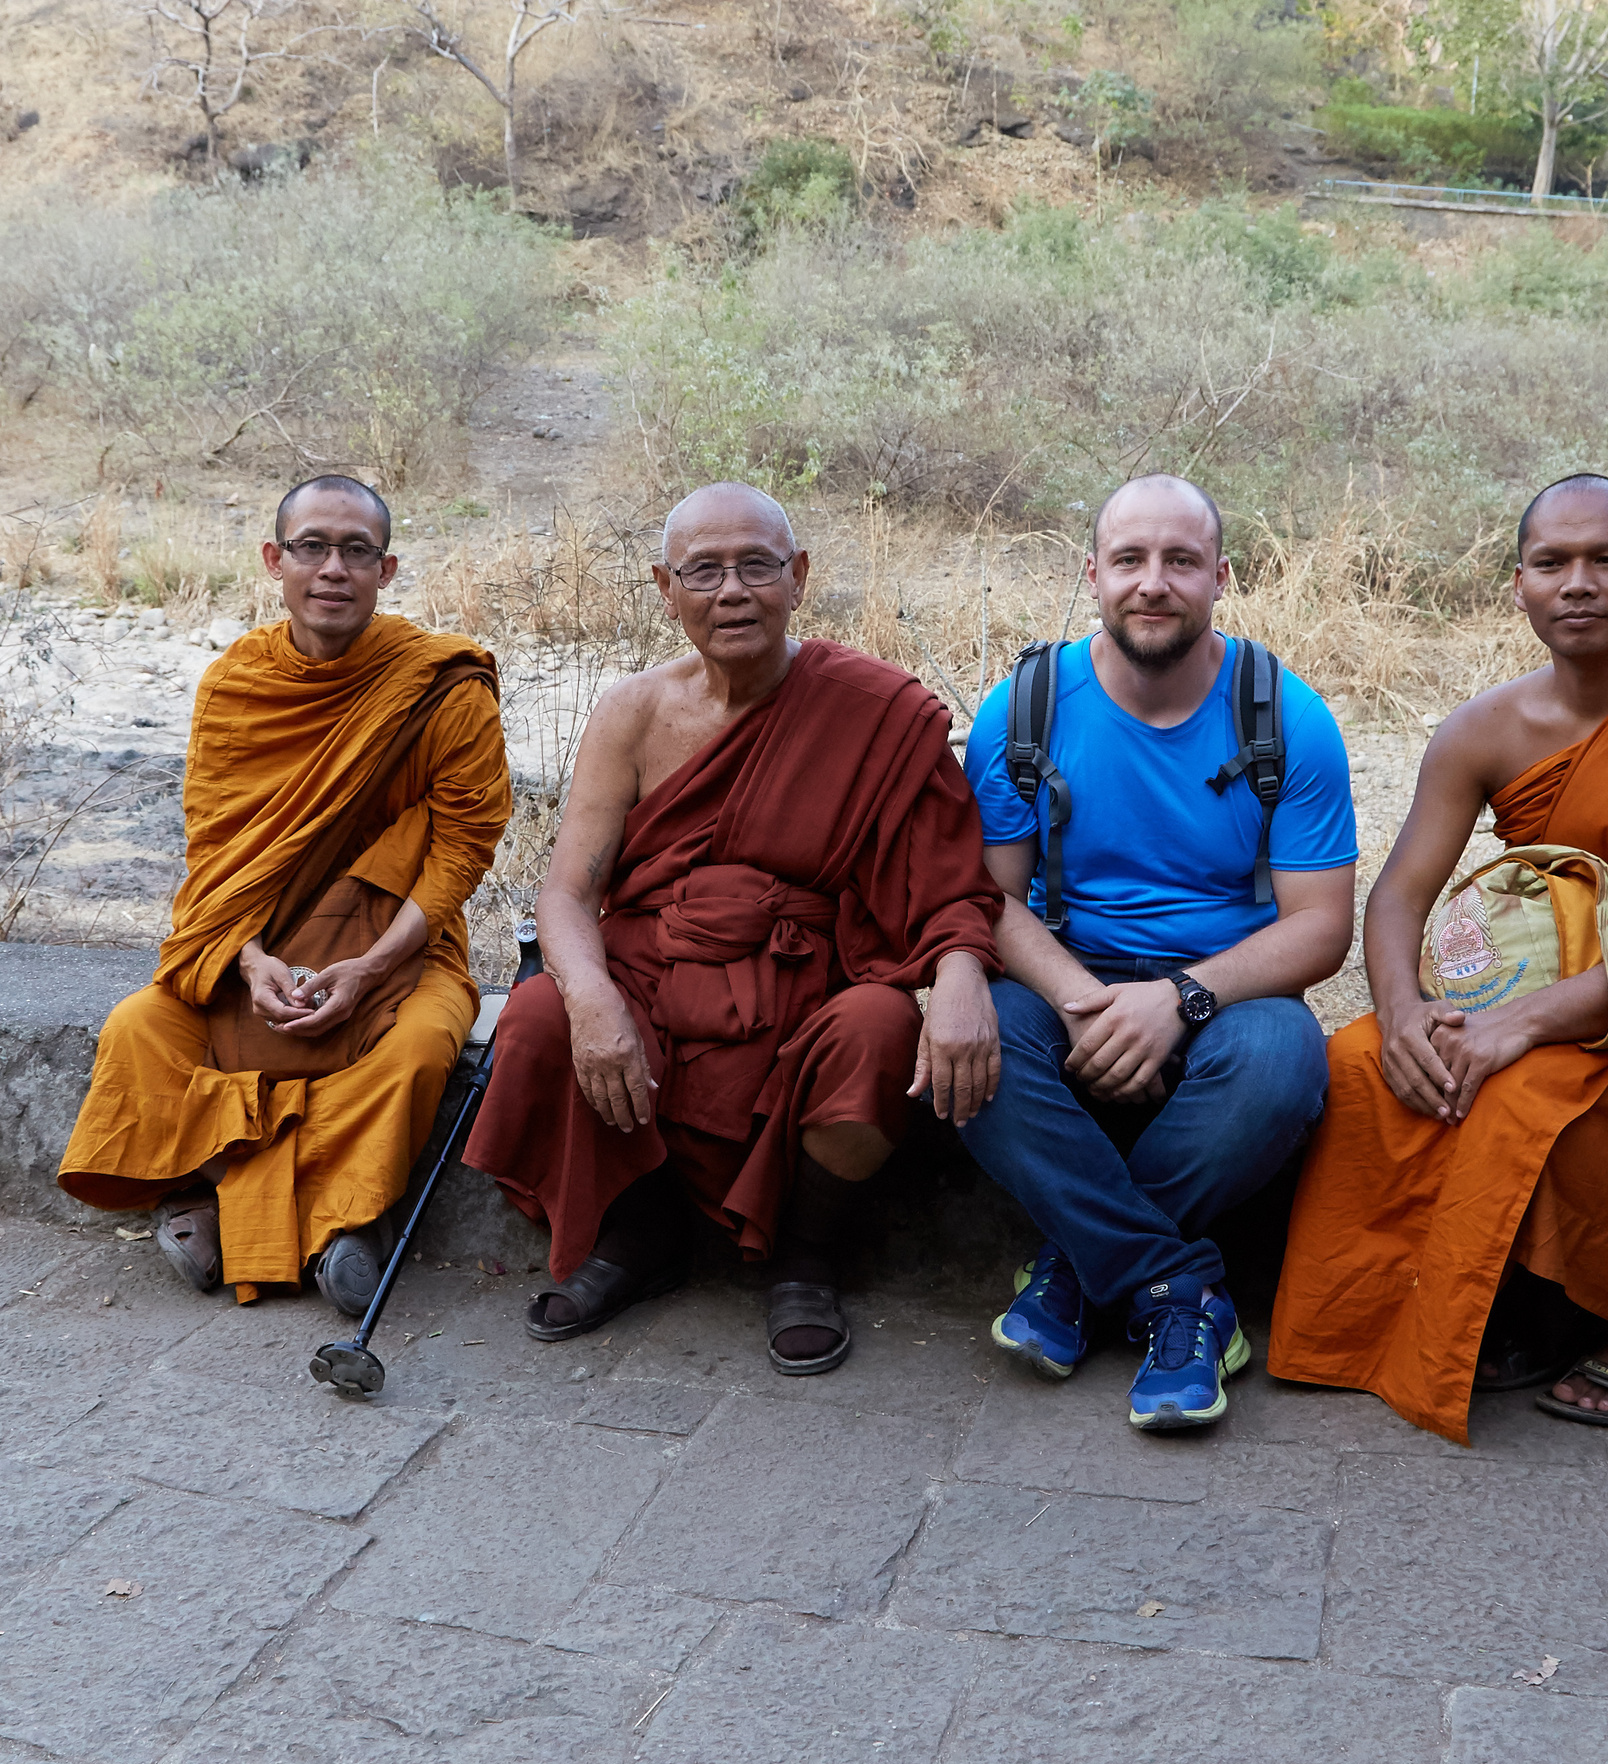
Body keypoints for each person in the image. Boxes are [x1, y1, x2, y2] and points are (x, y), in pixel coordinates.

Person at [1267, 474, 1608, 1441]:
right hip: (1508, 997)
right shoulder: (1485, 730)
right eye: (1552, 563)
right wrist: (1401, 1013)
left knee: (1531, 1088)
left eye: (1607, 560)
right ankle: (1384, 1316)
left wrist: (1512, 1027)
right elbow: (1399, 893)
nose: (1579, 584)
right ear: (1517, 585)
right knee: (1360, 1065)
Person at [464, 482, 1003, 1375]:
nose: (733, 591)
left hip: (803, 987)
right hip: (656, 971)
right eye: (702, 571)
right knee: (535, 1016)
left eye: (757, 565)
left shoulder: (875, 711)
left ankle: (807, 1257)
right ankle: (641, 1235)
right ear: (663, 588)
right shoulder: (631, 711)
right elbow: (567, 891)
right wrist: (591, 999)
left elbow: (950, 882)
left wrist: (960, 978)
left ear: (797, 577)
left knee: (878, 1030)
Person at [958, 473, 1355, 1431]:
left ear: (1221, 576)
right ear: (1092, 573)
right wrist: (1089, 1004)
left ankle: (1078, 1270)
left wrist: (1177, 1000)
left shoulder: (1285, 719)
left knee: (1283, 1059)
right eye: (1130, 559)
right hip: (1067, 979)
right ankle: (1176, 1289)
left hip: (1226, 991)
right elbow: (990, 903)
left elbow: (1320, 930)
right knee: (973, 1047)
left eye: (1181, 561)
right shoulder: (1024, 711)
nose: (1154, 582)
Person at [58, 476, 510, 1311]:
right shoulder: (237, 687)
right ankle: (334, 1224)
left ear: (387, 568)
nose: (333, 568)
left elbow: (461, 852)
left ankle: (229, 1209)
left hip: (401, 950)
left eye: (356, 551)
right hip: (258, 941)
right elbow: (216, 850)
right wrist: (249, 959)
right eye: (312, 547)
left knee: (418, 1050)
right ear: (276, 560)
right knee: (140, 1029)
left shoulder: (442, 685)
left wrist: (369, 969)